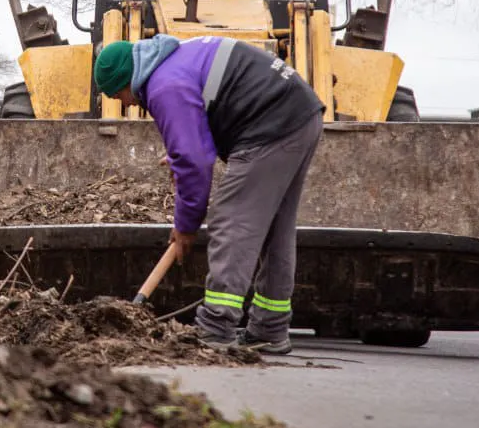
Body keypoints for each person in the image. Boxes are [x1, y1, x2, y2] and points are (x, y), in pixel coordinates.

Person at [93, 35, 324, 353]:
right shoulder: (174, 61)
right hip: (299, 114)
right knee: (274, 228)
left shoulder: (163, 86)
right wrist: (180, 154)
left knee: (231, 221)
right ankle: (269, 329)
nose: (127, 104)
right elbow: (198, 133)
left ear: (127, 81)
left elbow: (196, 162)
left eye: (120, 96)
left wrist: (186, 225)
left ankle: (215, 328)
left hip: (272, 124)